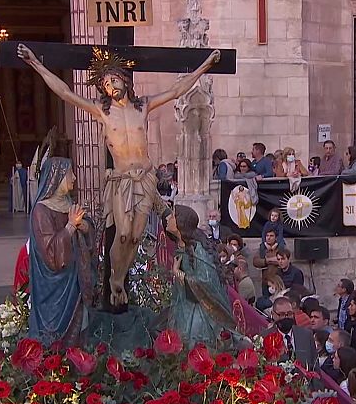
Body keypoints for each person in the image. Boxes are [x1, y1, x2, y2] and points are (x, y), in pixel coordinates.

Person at [18, 44, 219, 307]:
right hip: (122, 181)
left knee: (135, 236)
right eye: (104, 83)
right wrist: (35, 62)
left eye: (113, 80)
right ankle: (114, 280)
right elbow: (65, 93)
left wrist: (205, 65)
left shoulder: (143, 107)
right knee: (122, 233)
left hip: (145, 179)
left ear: (124, 80)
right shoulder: (103, 111)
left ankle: (120, 280)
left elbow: (176, 91)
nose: (110, 86)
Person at [28, 158, 99, 344]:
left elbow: (87, 230)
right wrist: (70, 226)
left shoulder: (69, 203)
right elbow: (50, 252)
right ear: (57, 177)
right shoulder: (41, 211)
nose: (74, 178)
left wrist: (83, 226)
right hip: (55, 286)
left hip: (75, 282)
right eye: (70, 174)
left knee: (80, 331)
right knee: (56, 338)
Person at [167, 205, 240, 348]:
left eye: (172, 216)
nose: (168, 219)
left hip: (200, 314)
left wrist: (179, 274)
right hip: (184, 307)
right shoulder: (182, 248)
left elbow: (206, 282)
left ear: (180, 222)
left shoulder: (198, 251)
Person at [265, 297, 318, 369]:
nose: (286, 317)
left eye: (289, 314)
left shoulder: (306, 335)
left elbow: (315, 367)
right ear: (273, 314)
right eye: (282, 314)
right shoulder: (265, 337)